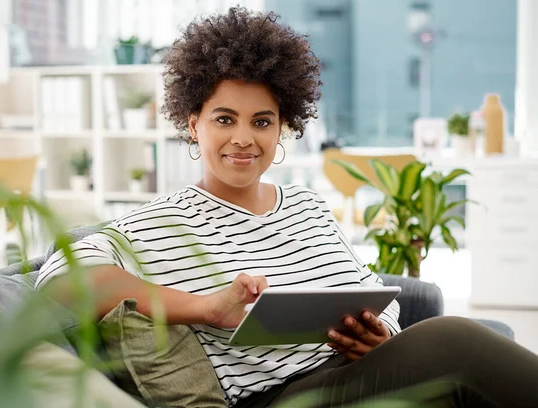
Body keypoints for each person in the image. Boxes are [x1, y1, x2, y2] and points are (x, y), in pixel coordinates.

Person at [36, 7, 538, 408]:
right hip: (284, 396)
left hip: (356, 375)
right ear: (194, 124)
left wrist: (380, 337)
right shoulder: (160, 220)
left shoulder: (306, 205)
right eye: (224, 119)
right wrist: (206, 309)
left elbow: (367, 292)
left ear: (281, 127)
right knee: (456, 340)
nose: (243, 139)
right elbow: (60, 279)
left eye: (261, 121)